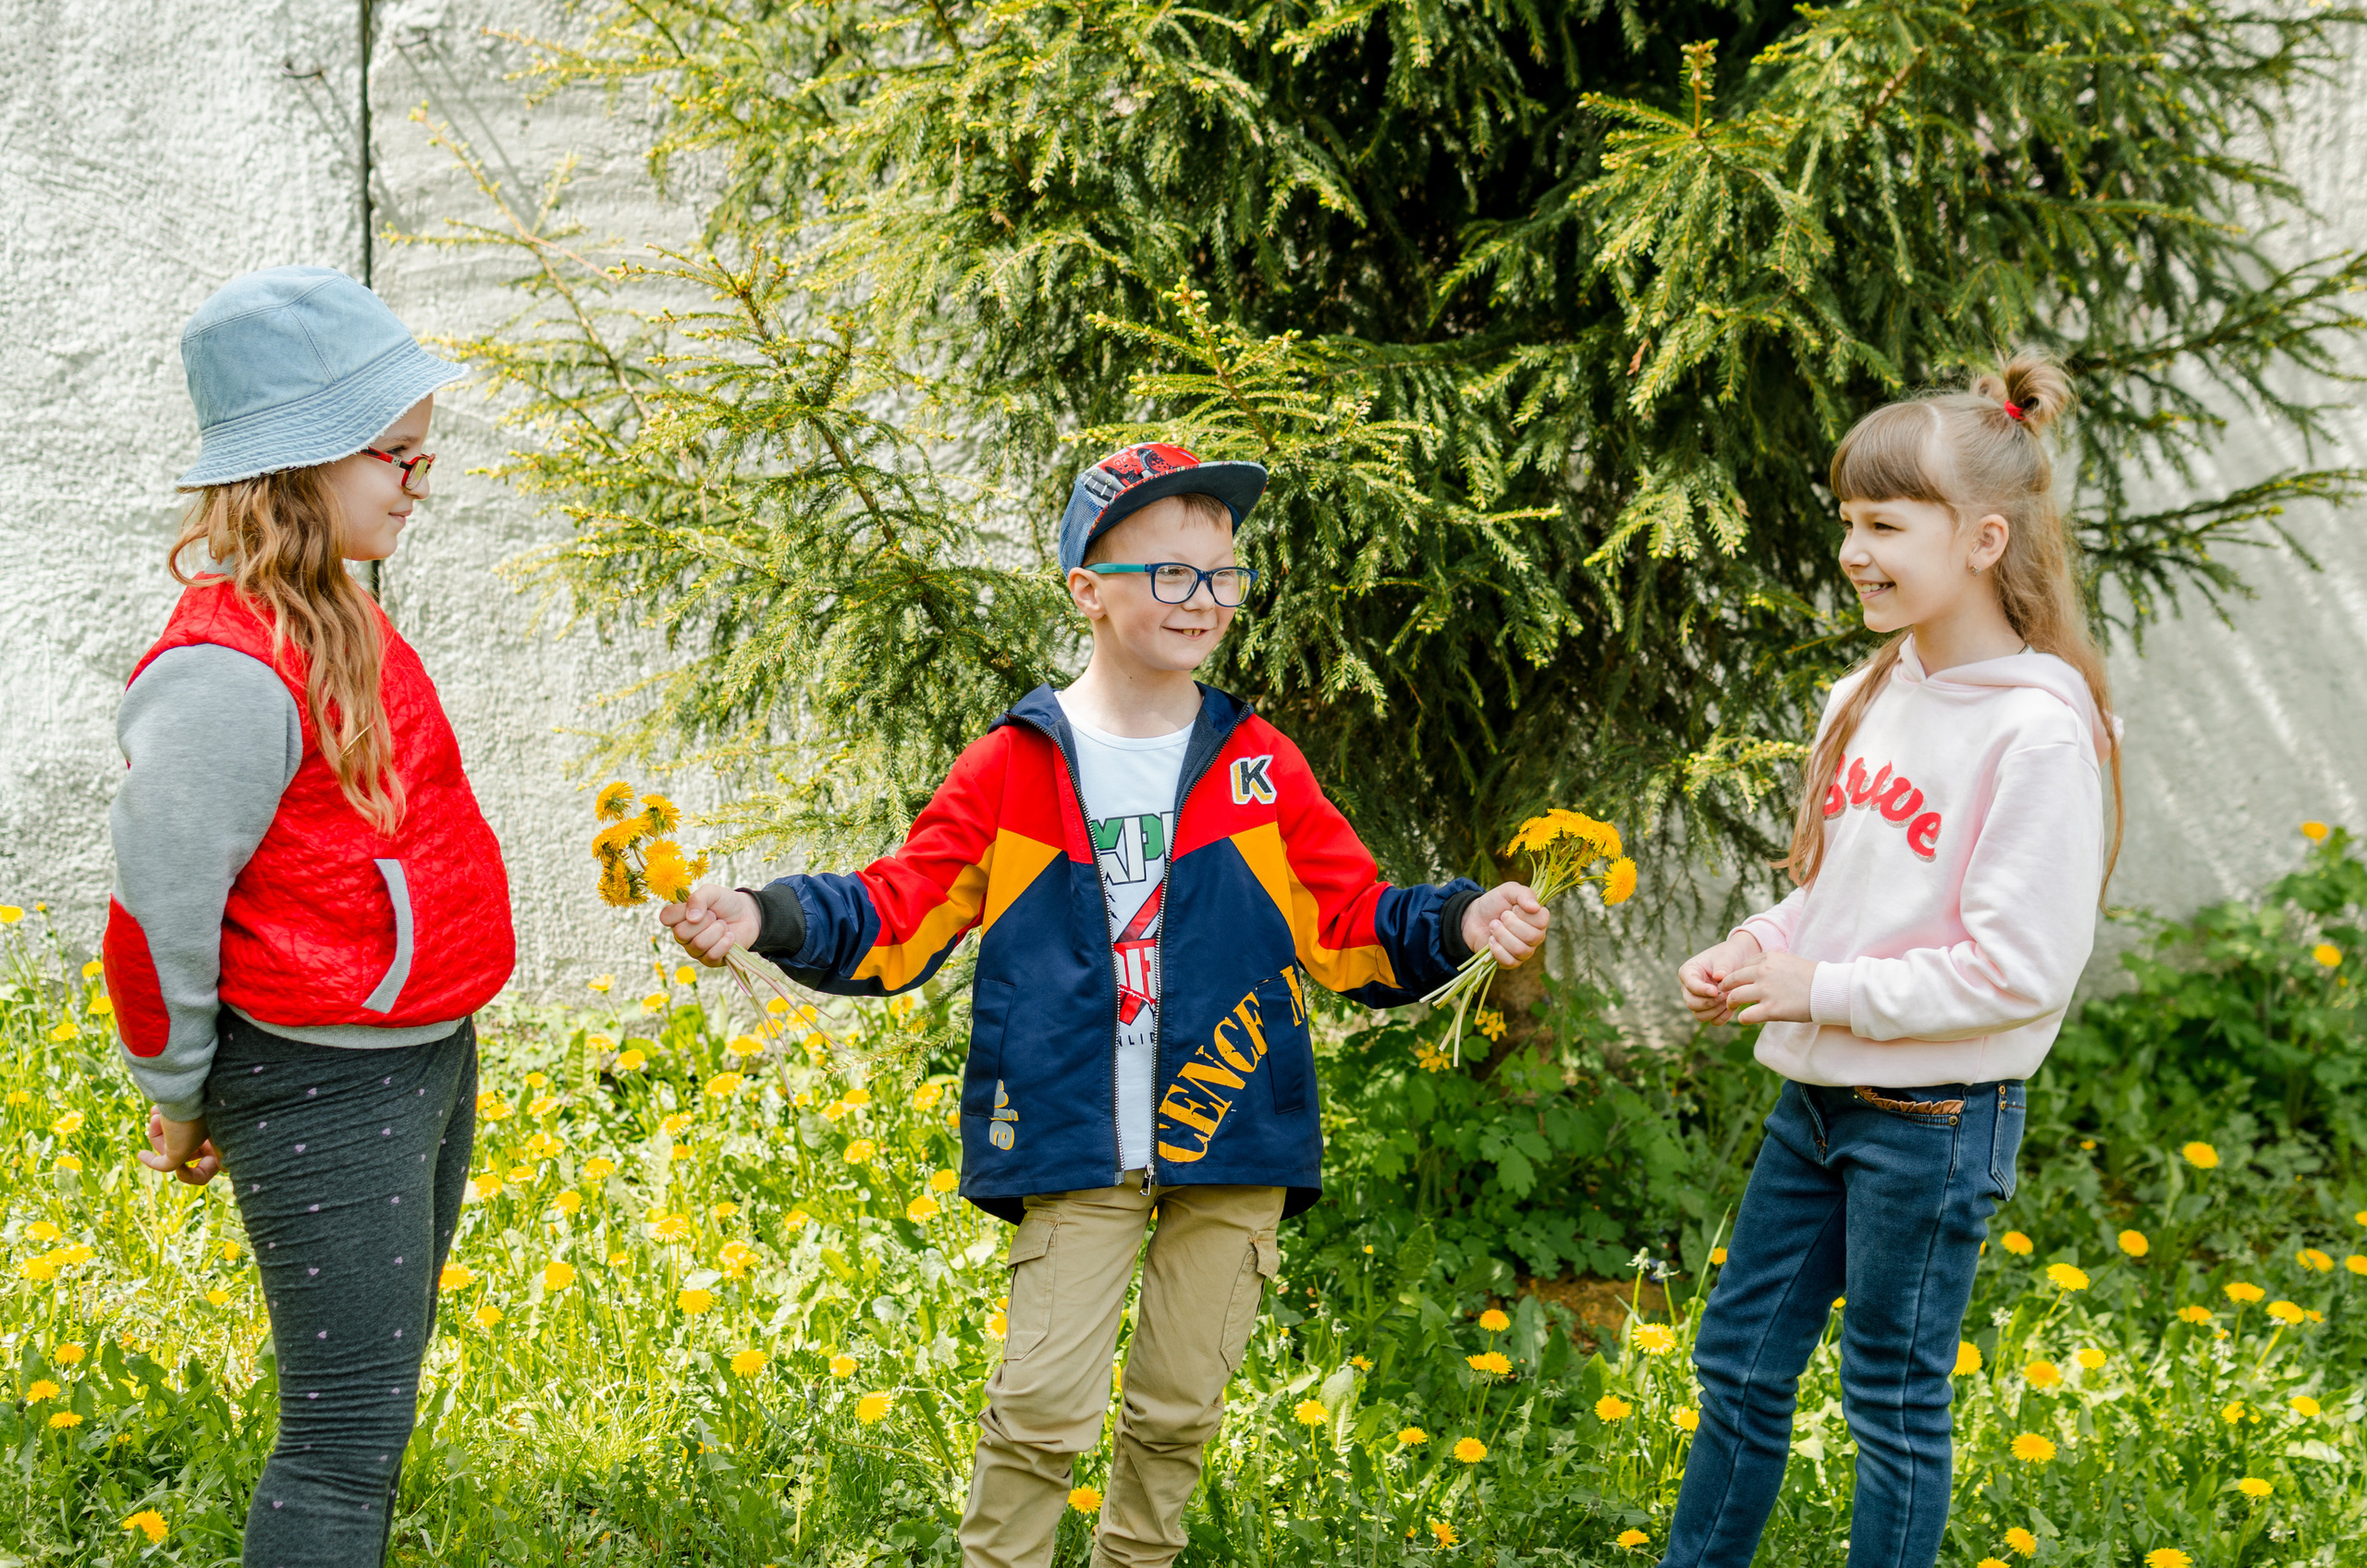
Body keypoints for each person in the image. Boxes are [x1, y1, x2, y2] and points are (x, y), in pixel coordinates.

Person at [664, 441, 1551, 1568]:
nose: (1205, 601)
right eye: (1169, 574)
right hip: (1072, 1137)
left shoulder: (1257, 767)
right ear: (1087, 587)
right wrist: (765, 913)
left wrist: (1460, 921)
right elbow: (901, 908)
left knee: (1178, 1416)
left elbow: (1350, 919)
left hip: (1233, 1132)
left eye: (1223, 575)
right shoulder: (1012, 766)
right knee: (1037, 1411)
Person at [1663, 352, 2122, 1568]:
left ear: (1980, 539)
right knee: (1738, 1365)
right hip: (1813, 1103)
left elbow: (2019, 970)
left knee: (1893, 1404)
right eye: (1848, 524)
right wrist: (1757, 949)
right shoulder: (1864, 692)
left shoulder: (2038, 729)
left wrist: (1825, 990)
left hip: (1933, 1115)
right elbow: (1837, 896)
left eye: (1885, 523)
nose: (1857, 550)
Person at [103, 266, 515, 1568]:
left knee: (371, 1424)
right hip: (324, 1085)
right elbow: (151, 913)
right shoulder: (223, 676)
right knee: (340, 1446)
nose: (418, 479)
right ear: (295, 462)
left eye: (422, 452)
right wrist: (182, 1092)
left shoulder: (339, 610)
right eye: (395, 452)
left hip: (420, 1060)